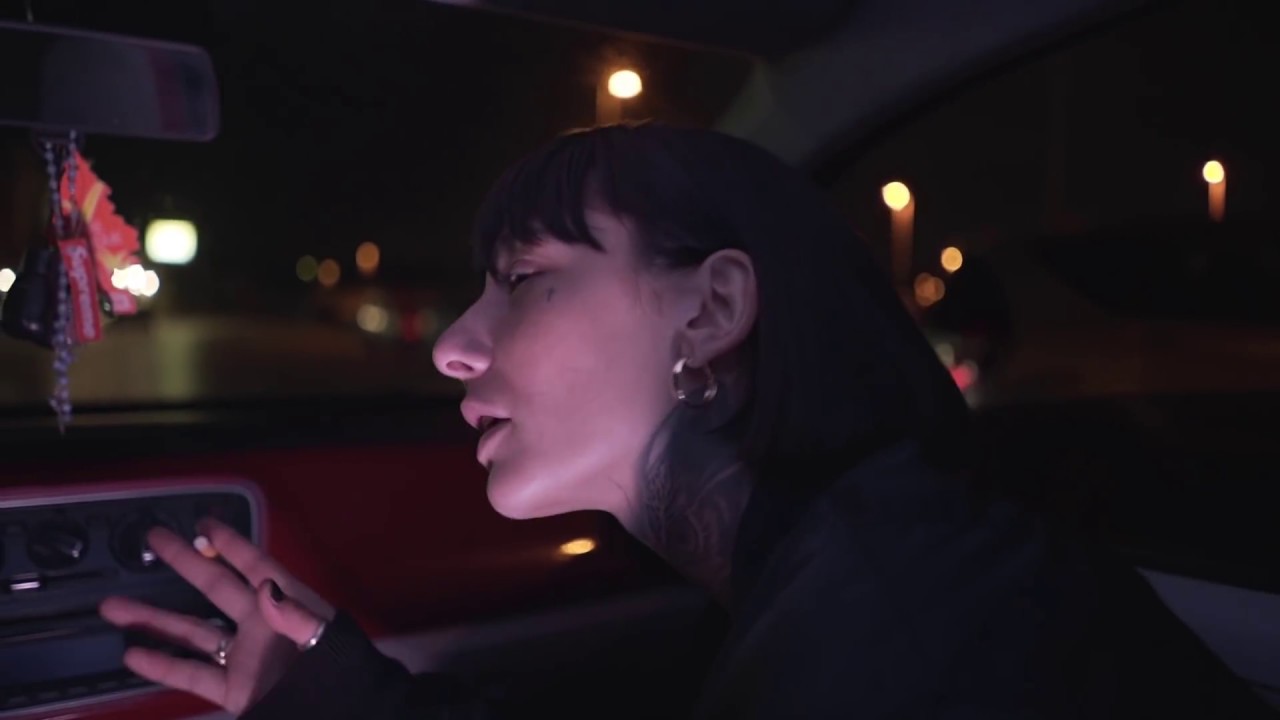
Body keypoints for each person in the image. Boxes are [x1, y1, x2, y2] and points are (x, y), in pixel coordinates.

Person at [99, 124, 1276, 719]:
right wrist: (346, 696)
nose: (453, 343)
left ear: (710, 311)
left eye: (524, 278)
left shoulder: (890, 634)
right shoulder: (826, 563)